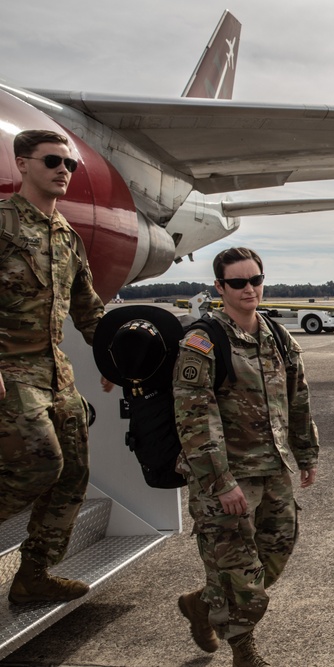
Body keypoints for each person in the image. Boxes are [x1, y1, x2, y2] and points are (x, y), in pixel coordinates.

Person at [173, 247, 319, 667]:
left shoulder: (276, 334)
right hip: (225, 477)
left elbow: (299, 397)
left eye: (255, 280)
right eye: (238, 282)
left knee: (276, 551)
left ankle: (203, 603)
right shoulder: (202, 342)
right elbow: (195, 417)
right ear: (220, 287)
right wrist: (222, 482)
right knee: (240, 572)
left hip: (273, 469)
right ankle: (243, 650)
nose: (249, 289)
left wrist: (305, 452)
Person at [0, 129, 105, 605]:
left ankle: (33, 576)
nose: (64, 170)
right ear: (22, 164)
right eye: (52, 161)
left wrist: (114, 360)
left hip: (55, 371)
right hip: (10, 367)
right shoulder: (2, 224)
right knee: (41, 466)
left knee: (74, 472)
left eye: (70, 164)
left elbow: (88, 311)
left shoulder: (67, 237)